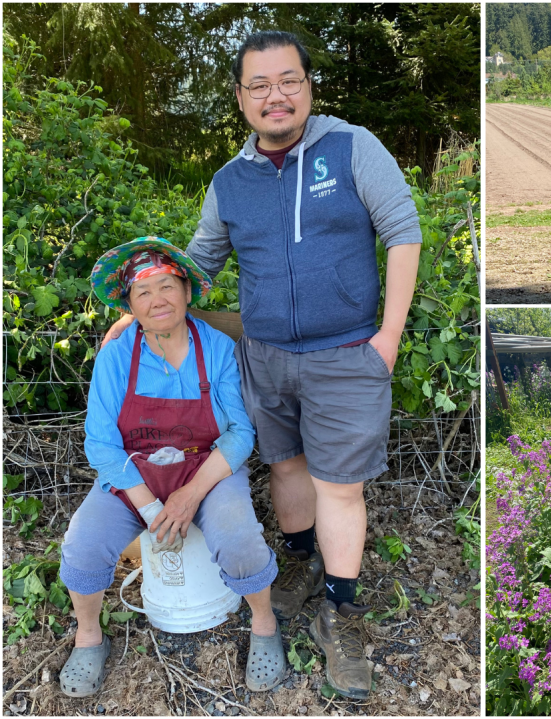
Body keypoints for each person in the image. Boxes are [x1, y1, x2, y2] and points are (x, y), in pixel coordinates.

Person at [102, 30, 422, 699]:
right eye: (260, 85)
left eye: (288, 81)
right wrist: (139, 311)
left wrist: (387, 338)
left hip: (345, 354)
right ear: (242, 98)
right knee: (285, 467)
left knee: (340, 486)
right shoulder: (228, 183)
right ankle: (301, 563)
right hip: (266, 357)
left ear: (308, 86)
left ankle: (341, 609)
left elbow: (402, 231)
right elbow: (197, 267)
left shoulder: (353, 147)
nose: (275, 95)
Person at [60, 237, 284, 697]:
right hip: (132, 474)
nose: (156, 299)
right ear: (129, 305)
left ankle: (264, 623)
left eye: (166, 286)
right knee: (82, 546)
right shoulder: (117, 355)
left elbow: (241, 434)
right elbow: (100, 443)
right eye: (143, 292)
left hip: (208, 468)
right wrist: (147, 508)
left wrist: (189, 495)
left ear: (186, 292)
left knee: (239, 539)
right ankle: (89, 636)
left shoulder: (218, 349)